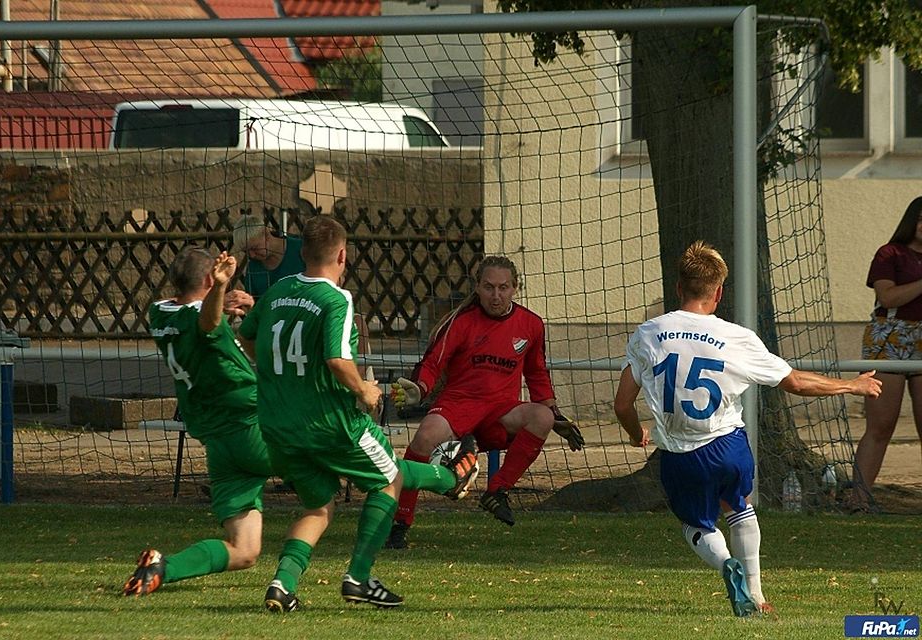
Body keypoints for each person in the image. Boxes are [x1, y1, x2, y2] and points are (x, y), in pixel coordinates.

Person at [613, 240, 881, 617]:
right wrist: (852, 385)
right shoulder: (737, 338)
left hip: (679, 452)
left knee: (697, 524)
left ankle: (726, 564)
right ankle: (756, 595)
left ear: (678, 288)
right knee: (740, 508)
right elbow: (796, 382)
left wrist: (634, 433)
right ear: (718, 292)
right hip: (728, 446)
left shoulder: (648, 333)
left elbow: (621, 403)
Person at [237, 215, 480, 612]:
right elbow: (336, 358)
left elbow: (247, 336)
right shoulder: (337, 299)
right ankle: (361, 576)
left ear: (303, 253)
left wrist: (281, 373)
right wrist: (364, 388)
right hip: (331, 423)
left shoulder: (279, 290)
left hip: (278, 426)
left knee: (318, 507)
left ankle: (281, 584)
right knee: (390, 479)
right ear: (343, 255)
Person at [386, 255, 585, 549]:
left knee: (541, 417)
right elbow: (432, 363)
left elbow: (537, 375)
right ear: (477, 287)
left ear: (516, 288)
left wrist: (556, 416)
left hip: (500, 412)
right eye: (489, 287)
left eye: (503, 288)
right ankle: (399, 524)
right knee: (424, 438)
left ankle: (497, 491)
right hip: (459, 404)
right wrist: (420, 387)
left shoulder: (531, 324)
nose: (496, 295)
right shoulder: (460, 322)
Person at [123, 248, 274, 596]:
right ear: (210, 279)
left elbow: (193, 309)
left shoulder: (160, 313)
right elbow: (205, 323)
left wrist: (218, 297)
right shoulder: (206, 320)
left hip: (219, 442)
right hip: (250, 428)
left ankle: (161, 568)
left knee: (245, 550)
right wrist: (220, 293)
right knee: (326, 454)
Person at [227, 213, 372, 379]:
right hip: (279, 324)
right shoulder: (254, 269)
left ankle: (359, 382)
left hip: (312, 315)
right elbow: (257, 313)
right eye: (247, 251)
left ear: (266, 234)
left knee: (358, 323)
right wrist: (250, 306)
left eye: (254, 248)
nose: (252, 255)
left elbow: (332, 281)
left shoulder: (300, 249)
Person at [854, 196, 922, 509]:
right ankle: (860, 499)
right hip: (891, 338)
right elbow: (889, 296)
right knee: (881, 426)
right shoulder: (890, 253)